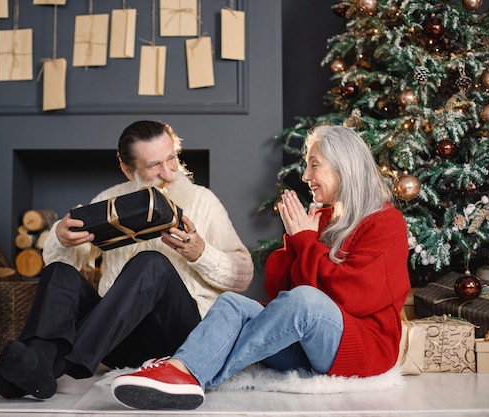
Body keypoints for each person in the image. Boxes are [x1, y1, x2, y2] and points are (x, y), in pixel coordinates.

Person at [110, 125, 411, 410]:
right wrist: (295, 241)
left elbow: (351, 297)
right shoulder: (320, 219)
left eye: (314, 164)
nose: (305, 175)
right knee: (232, 304)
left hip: (362, 350)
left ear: (343, 167)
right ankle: (180, 369)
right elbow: (280, 293)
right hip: (307, 349)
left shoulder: (386, 222)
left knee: (304, 301)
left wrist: (305, 241)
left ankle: (200, 376)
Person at [0, 120, 254, 399]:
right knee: (59, 272)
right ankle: (36, 365)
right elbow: (67, 261)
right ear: (127, 169)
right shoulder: (109, 199)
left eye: (171, 158)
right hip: (119, 339)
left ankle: (61, 363)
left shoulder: (203, 200)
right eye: (154, 165)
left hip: (181, 338)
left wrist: (200, 253)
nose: (168, 172)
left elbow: (243, 275)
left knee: (152, 262)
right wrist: (61, 237)